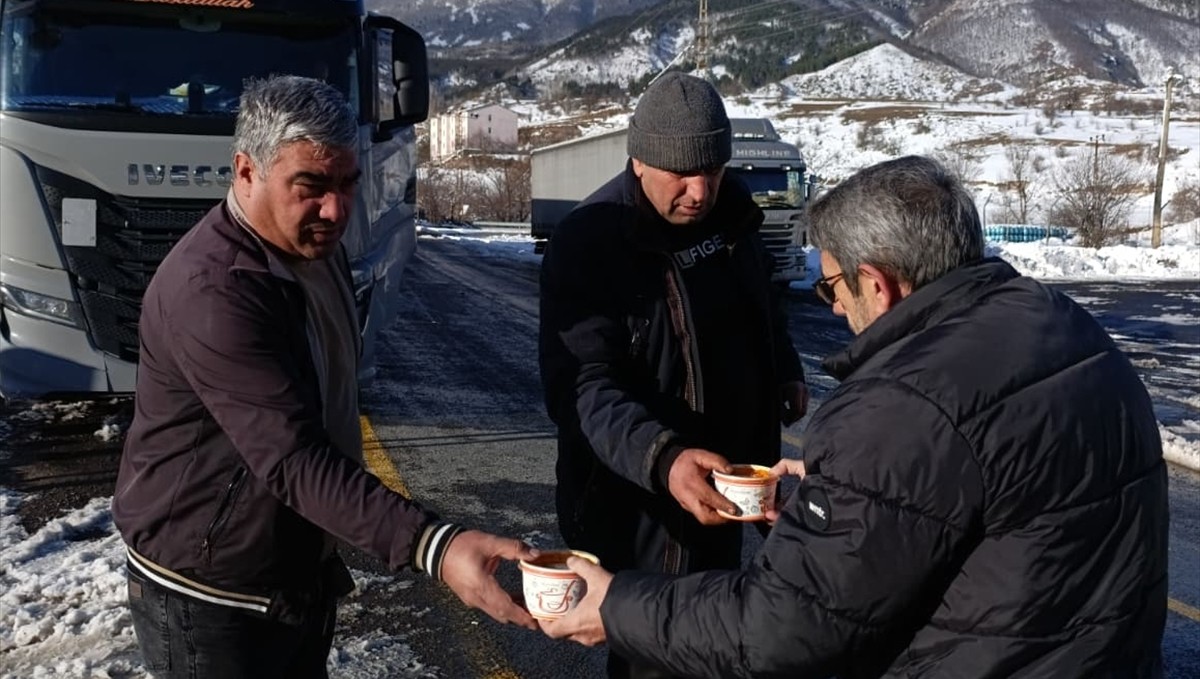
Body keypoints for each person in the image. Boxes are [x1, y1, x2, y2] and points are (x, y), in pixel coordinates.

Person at [541, 155, 1169, 678]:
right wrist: (845, 495)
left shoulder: (903, 402)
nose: (835, 307)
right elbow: (977, 498)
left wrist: (616, 605)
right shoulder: (1066, 325)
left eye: (833, 286)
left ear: (879, 283)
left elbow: (783, 626)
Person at [112, 75, 536, 678]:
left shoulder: (315, 248)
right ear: (246, 172)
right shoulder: (216, 293)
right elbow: (293, 459)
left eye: (347, 184)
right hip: (210, 593)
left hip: (288, 568)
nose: (336, 210)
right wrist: (436, 546)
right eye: (310, 186)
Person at [537, 71, 808, 679]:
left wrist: (784, 366)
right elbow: (581, 388)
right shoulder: (593, 241)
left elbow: (762, 303)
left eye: (711, 169)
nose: (699, 189)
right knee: (653, 653)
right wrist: (664, 459)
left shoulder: (733, 215)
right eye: (681, 173)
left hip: (729, 486)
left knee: (716, 640)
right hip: (640, 502)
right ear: (640, 159)